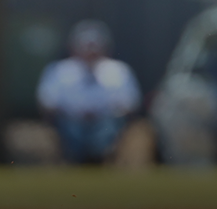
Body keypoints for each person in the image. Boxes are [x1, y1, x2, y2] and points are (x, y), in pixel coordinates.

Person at [37, 20, 141, 165]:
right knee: (71, 132)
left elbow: (130, 103)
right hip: (71, 121)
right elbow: (48, 102)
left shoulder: (119, 71)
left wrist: (101, 113)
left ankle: (100, 158)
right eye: (86, 46)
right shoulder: (59, 70)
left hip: (106, 121)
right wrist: (76, 113)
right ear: (74, 47)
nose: (90, 51)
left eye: (94, 46)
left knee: (106, 130)